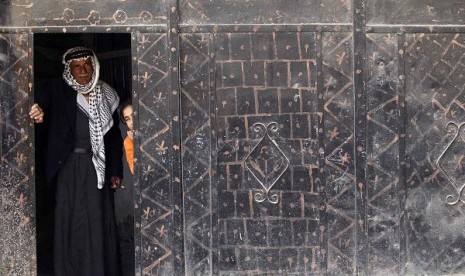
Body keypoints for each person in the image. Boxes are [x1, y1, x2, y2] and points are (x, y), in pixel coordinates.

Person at [29, 46, 123, 276]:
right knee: (68, 218)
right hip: (68, 167)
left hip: (96, 168)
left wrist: (115, 170)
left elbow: (112, 138)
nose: (82, 70)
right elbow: (38, 108)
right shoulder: (56, 89)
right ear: (69, 69)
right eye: (76, 67)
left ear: (94, 66)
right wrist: (36, 113)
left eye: (86, 65)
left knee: (97, 218)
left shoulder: (106, 94)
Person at [120, 100, 134, 174]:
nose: (131, 122)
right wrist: (134, 143)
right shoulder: (128, 141)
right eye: (127, 119)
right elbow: (134, 170)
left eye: (133, 115)